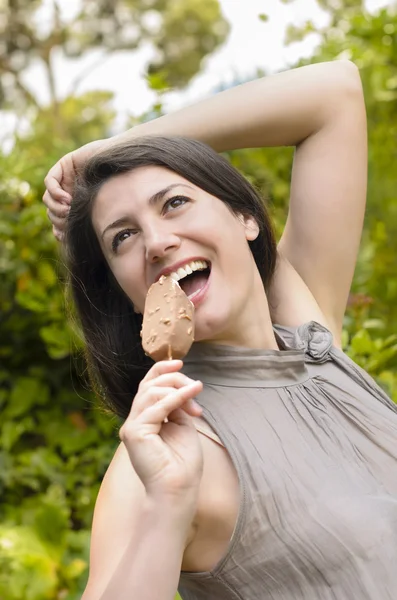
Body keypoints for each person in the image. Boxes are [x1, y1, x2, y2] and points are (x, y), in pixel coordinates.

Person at [43, 60, 397, 600]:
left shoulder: (310, 337)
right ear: (127, 298)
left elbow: (334, 93)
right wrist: (168, 507)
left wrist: (112, 150)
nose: (157, 242)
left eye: (175, 202)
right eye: (122, 237)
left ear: (244, 218)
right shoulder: (159, 457)